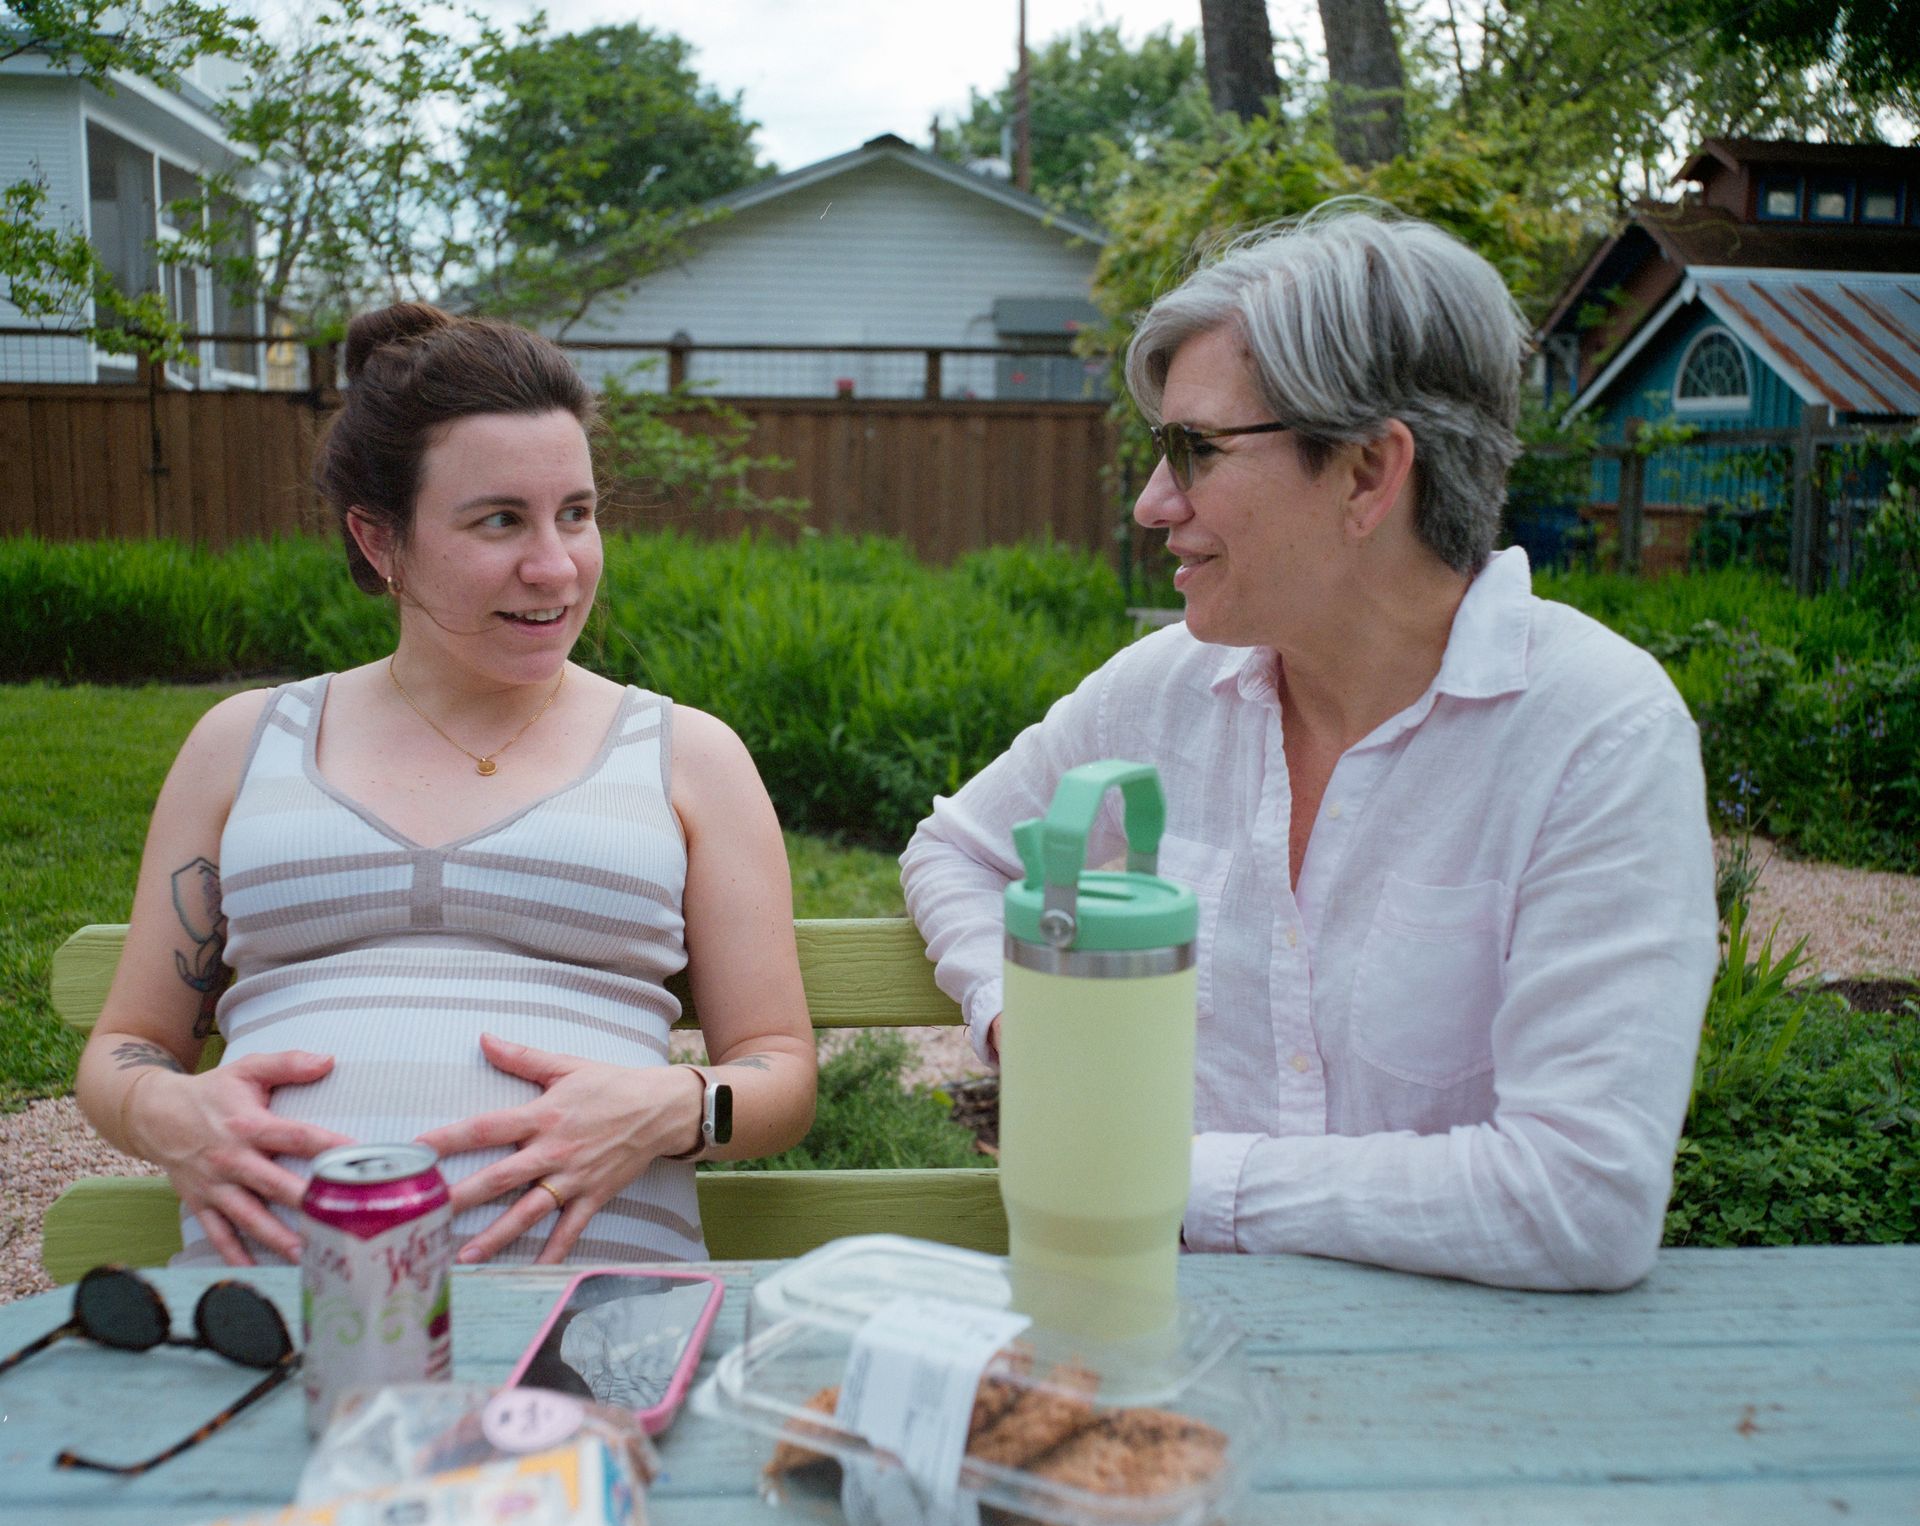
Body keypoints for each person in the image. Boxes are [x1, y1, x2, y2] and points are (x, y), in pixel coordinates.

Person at [900, 204, 1718, 1292]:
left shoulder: (1596, 736)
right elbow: (956, 852)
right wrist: (1029, 1019)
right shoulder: (1159, 696)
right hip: (1163, 1358)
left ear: (1370, 473)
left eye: (1196, 450)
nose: (1153, 505)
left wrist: (1175, 1177)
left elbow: (1580, 1198)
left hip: (1466, 1400)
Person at [75, 304, 815, 1268]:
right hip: (275, 1327)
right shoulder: (243, 745)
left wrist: (673, 1106)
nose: (555, 566)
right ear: (381, 543)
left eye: (577, 514)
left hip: (589, 1332)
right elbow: (127, 1044)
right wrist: (167, 1112)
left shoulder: (688, 758)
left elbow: (781, 1073)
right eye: (499, 519)